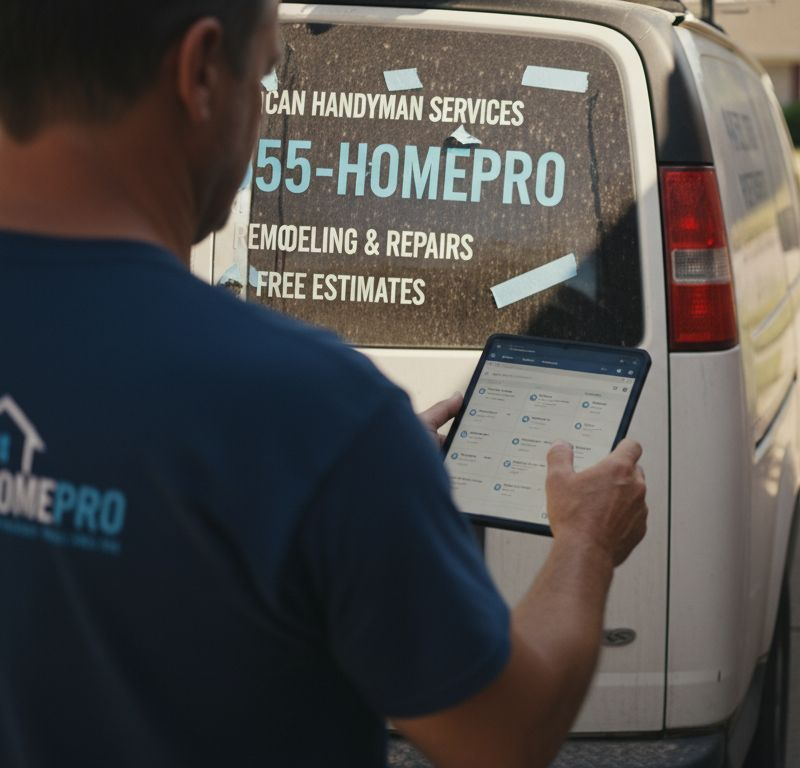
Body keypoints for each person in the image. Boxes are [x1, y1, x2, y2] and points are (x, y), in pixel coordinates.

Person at [0, 2, 648, 766]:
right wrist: (587, 542)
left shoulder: (321, 435)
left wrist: (359, 493)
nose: (265, 108)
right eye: (268, 73)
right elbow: (505, 735)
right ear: (202, 72)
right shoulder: (314, 414)